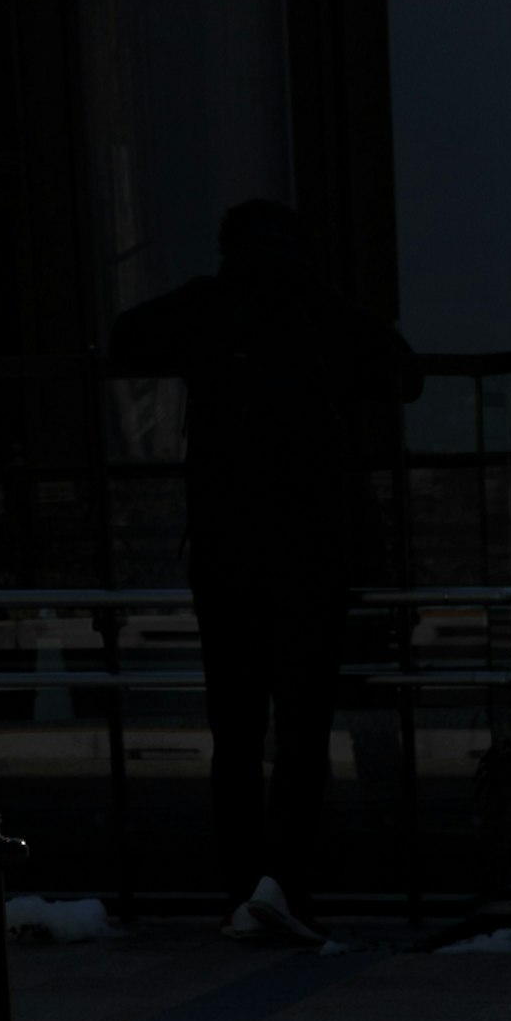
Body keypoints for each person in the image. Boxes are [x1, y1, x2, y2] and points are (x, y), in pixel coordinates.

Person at [109, 204, 425, 947]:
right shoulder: (322, 312)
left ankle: (242, 886)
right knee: (303, 728)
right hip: (312, 550)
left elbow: (126, 341)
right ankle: (287, 882)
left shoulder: (206, 309)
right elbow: (404, 375)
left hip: (226, 548)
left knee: (237, 730)